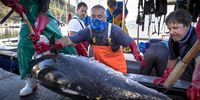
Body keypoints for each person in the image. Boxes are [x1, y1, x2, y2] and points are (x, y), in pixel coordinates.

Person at [34, 5, 144, 74]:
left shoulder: (114, 30)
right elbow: (69, 40)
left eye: (99, 17)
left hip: (118, 70)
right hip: (101, 70)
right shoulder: (89, 31)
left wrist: (136, 52)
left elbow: (130, 42)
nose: (96, 19)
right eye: (93, 16)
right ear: (90, 17)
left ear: (105, 18)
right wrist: (49, 45)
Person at [0, 0, 77, 96]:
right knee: (22, 46)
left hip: (44, 16)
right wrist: (11, 3)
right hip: (27, 17)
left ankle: (77, 73)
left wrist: (39, 26)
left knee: (60, 41)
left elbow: (44, 4)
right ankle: (30, 81)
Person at [152, 9, 200, 100]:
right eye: (169, 29)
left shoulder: (196, 38)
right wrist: (166, 76)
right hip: (187, 71)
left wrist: (197, 82)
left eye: (175, 28)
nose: (171, 32)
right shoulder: (173, 40)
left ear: (187, 25)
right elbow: (172, 59)